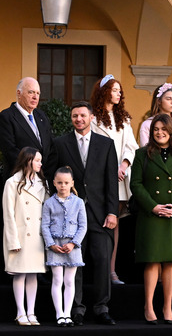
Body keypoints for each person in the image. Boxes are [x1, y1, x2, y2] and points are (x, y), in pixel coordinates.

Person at [53, 102, 118, 326]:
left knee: (101, 260)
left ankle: (101, 308)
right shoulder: (60, 143)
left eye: (82, 115)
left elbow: (111, 181)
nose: (78, 119)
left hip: (100, 213)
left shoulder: (106, 144)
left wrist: (112, 211)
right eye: (74, 116)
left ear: (91, 117)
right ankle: (76, 309)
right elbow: (55, 178)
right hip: (70, 215)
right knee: (74, 263)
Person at [130, 114, 172, 325]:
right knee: (152, 261)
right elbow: (136, 185)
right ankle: (148, 306)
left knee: (170, 261)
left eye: (163, 129)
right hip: (151, 215)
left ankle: (167, 306)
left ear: (171, 131)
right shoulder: (142, 155)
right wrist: (153, 206)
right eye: (156, 129)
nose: (159, 132)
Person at [90, 75, 138, 285]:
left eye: (120, 91)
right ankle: (96, 270)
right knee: (97, 223)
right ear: (105, 91)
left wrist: (124, 165)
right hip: (99, 180)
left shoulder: (124, 120)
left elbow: (131, 146)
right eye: (115, 90)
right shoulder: (93, 119)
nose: (119, 94)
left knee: (114, 223)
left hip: (118, 179)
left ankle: (111, 270)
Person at [2, 147, 47, 326]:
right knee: (20, 275)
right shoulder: (12, 183)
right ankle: (20, 312)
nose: (40, 163)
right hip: (20, 236)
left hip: (36, 237)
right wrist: (13, 240)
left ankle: (31, 312)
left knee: (33, 275)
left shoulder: (42, 183)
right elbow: (8, 214)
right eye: (37, 160)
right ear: (28, 160)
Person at [42, 166, 87, 327]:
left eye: (66, 182)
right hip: (55, 246)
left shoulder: (79, 202)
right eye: (59, 182)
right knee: (57, 279)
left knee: (69, 280)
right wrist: (51, 244)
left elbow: (83, 226)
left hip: (72, 246)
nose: (63, 185)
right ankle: (59, 314)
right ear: (54, 182)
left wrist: (74, 243)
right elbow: (44, 226)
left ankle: (68, 314)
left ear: (72, 183)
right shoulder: (49, 203)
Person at [0, 77, 57, 182]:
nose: (35, 97)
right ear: (19, 93)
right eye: (31, 92)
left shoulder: (41, 115)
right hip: (20, 180)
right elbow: (10, 151)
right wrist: (33, 170)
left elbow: (51, 146)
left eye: (38, 93)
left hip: (44, 179)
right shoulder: (6, 116)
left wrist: (45, 174)